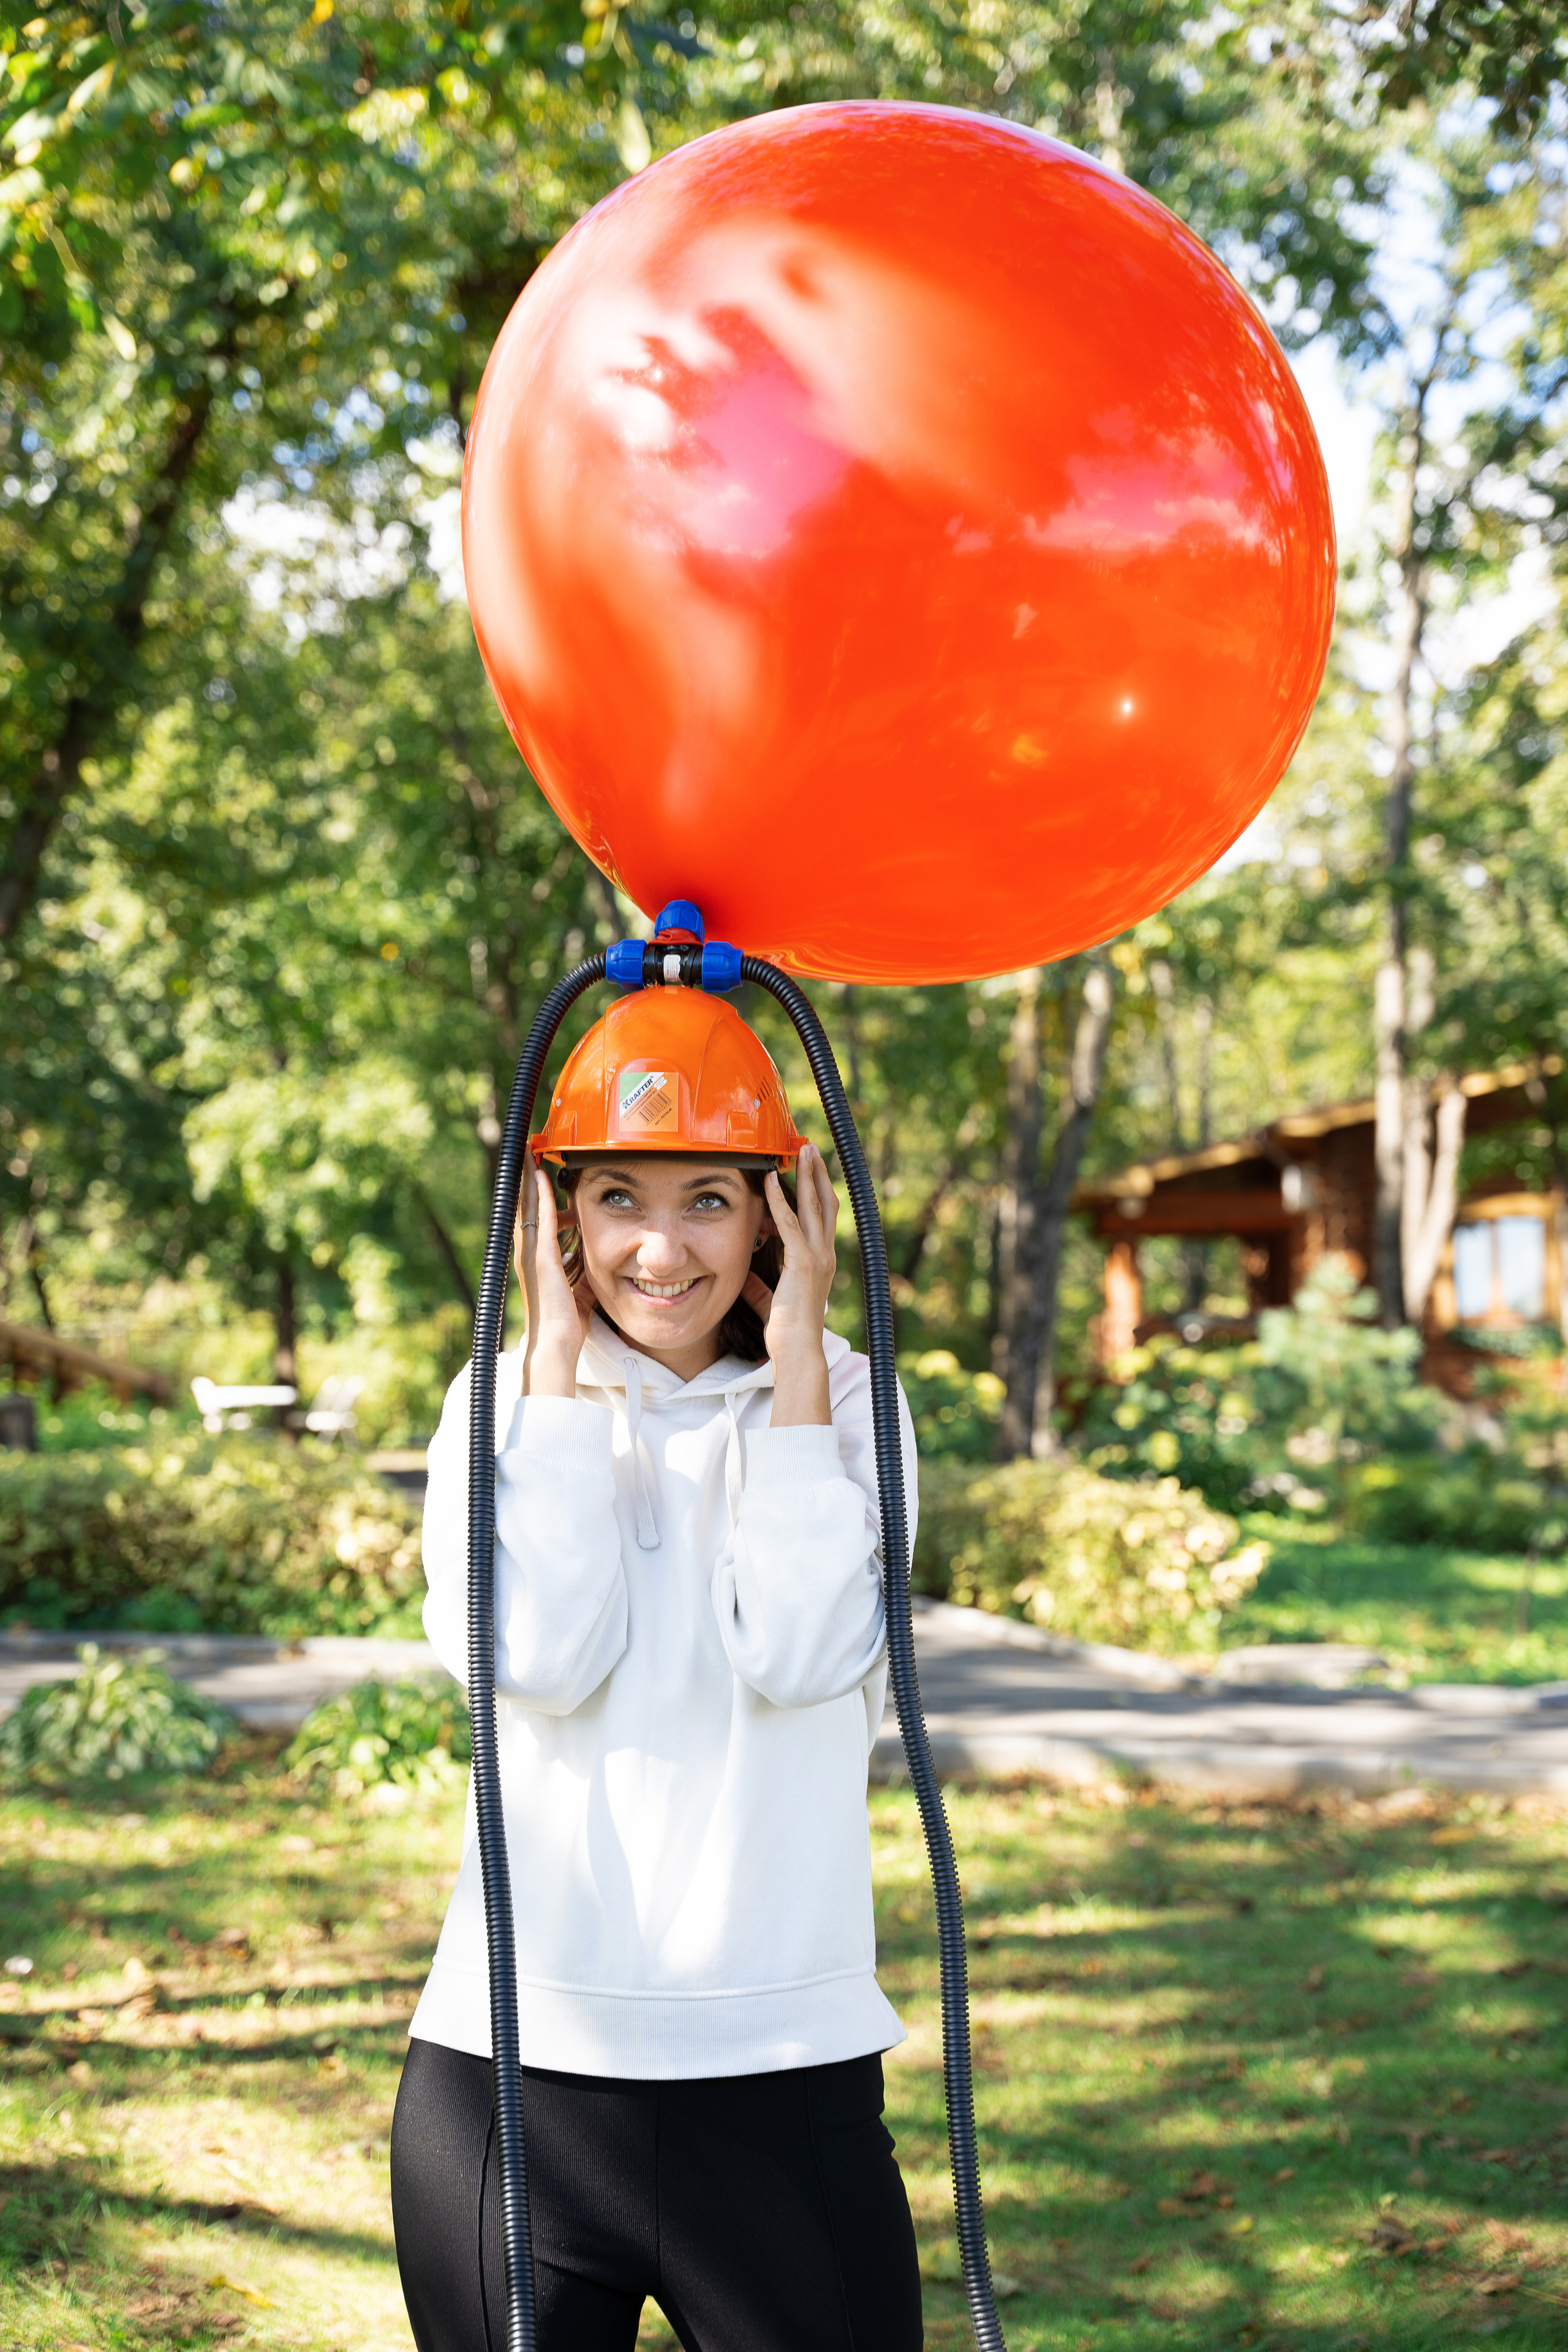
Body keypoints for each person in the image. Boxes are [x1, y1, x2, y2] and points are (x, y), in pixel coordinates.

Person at [390, 986, 924, 2352]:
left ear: (777, 1212)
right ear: (559, 1216)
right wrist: (555, 1370)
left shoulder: (856, 1403)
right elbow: (538, 1663)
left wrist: (796, 1369)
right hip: (511, 2076)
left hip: (778, 2069)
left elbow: (805, 1656)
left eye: (706, 1200)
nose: (658, 1248)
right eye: (619, 1196)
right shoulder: (496, 1397)